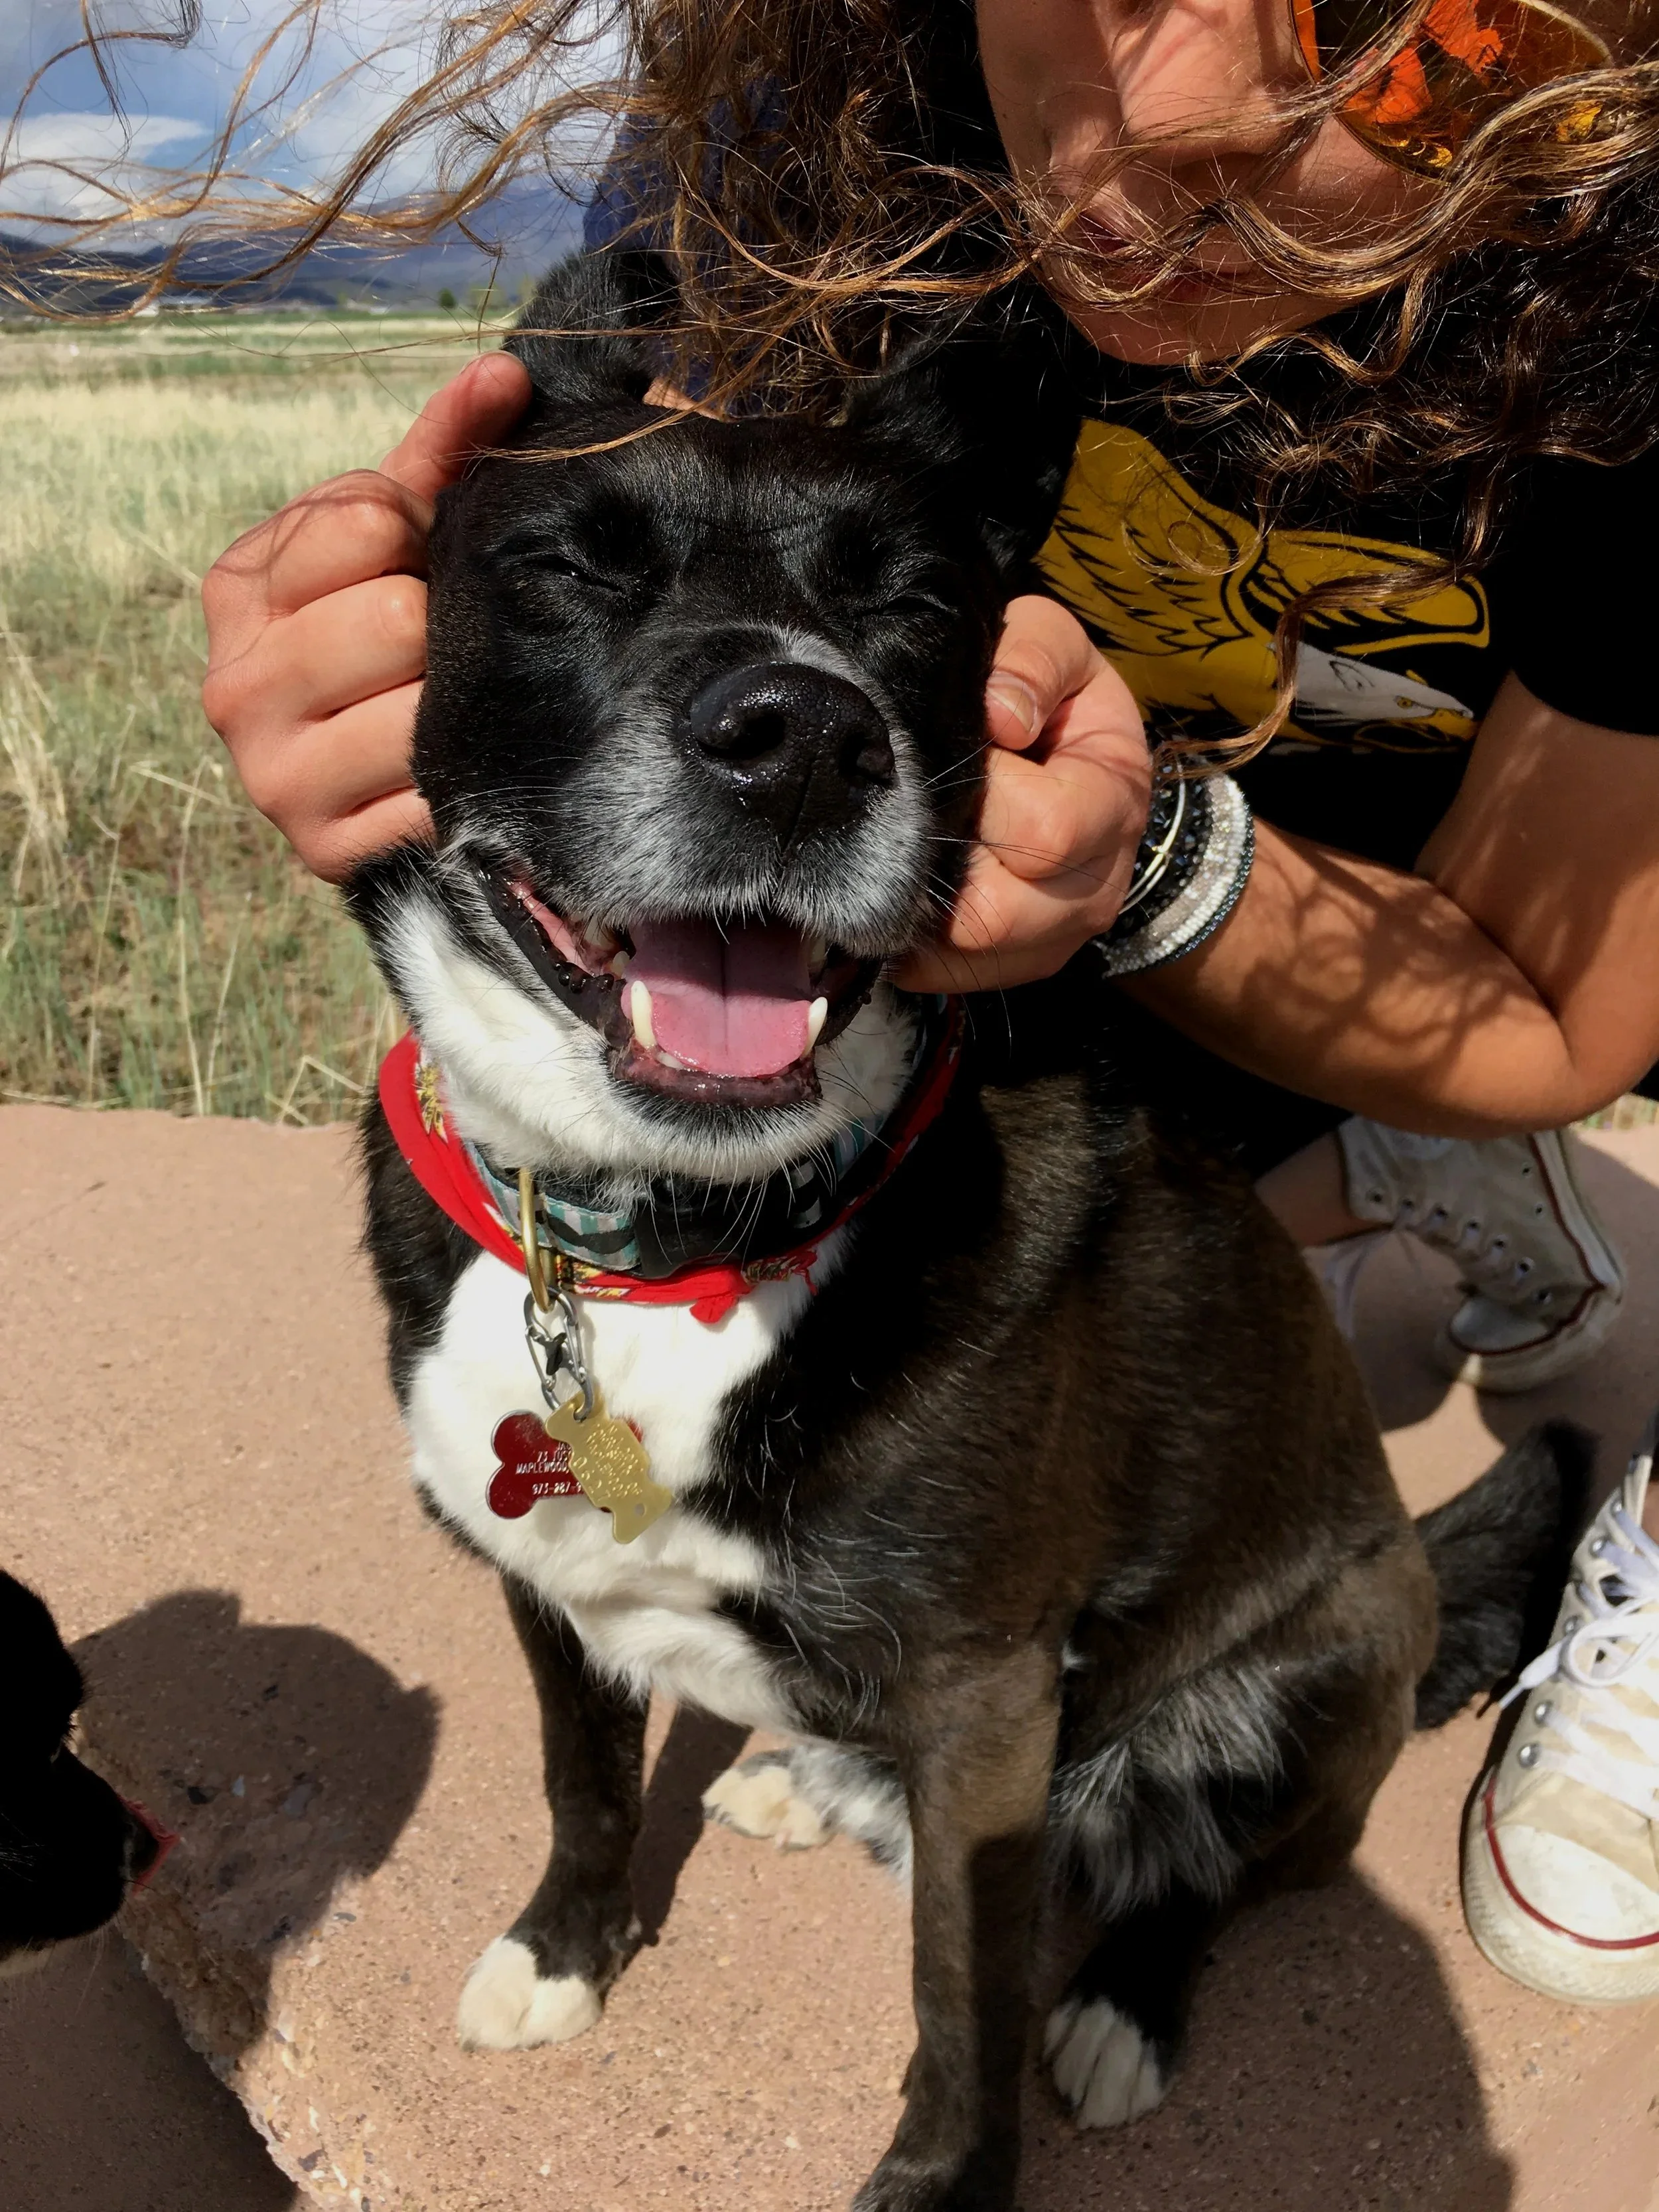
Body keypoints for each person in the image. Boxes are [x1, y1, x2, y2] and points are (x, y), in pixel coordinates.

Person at [196, 0, 1659, 2006]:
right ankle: (1330, 1164)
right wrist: (364, 668)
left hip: (1418, 912)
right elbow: (590, 578)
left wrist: (1142, 861)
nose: (1177, 111)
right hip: (1049, 966)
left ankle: (1437, 1203)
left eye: (1405, 33)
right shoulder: (824, 114)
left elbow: (1560, 1018)